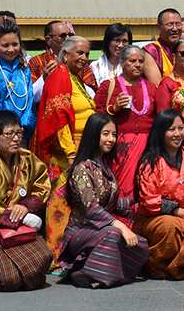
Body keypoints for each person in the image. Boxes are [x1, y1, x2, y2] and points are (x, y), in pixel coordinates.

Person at [57, 113, 149, 288]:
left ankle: (91, 270)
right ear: (93, 134)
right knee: (114, 234)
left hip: (101, 229)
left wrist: (139, 205)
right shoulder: (81, 168)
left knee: (141, 245)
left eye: (114, 134)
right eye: (105, 134)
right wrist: (121, 226)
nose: (111, 139)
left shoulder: (104, 165)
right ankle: (85, 273)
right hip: (81, 231)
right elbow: (91, 208)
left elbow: (111, 203)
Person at [0, 109, 53, 291]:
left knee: (45, 257)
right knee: (9, 280)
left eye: (19, 133)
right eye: (9, 133)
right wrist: (16, 215)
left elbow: (43, 185)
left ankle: (19, 271)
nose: (16, 138)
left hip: (19, 226)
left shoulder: (28, 158)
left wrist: (26, 206)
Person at [133, 109, 184, 279]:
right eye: (171, 129)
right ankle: (156, 264)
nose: (177, 134)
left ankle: (174, 268)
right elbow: (148, 200)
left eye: (180, 128)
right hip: (155, 218)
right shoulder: (150, 161)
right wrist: (177, 211)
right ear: (161, 132)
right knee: (168, 226)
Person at [36, 35, 97, 252]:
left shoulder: (75, 77)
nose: (84, 58)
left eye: (87, 54)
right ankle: (54, 253)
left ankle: (71, 251)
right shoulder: (60, 74)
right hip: (65, 153)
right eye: (79, 53)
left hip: (82, 149)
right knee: (60, 204)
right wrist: (71, 153)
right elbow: (58, 116)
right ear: (66, 53)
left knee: (76, 203)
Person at [95, 44, 156, 214]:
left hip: (147, 145)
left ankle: (142, 216)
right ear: (122, 63)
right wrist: (113, 108)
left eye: (140, 61)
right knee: (122, 184)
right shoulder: (109, 85)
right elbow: (97, 115)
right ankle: (120, 215)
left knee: (145, 182)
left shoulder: (151, 87)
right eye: (132, 61)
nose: (137, 65)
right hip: (120, 147)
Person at [0, 21, 36, 148]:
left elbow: (29, 102)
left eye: (15, 44)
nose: (11, 49)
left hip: (21, 135)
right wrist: (2, 133)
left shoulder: (24, 70)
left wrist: (21, 129)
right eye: (5, 45)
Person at [88, 23, 131, 89]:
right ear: (108, 42)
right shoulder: (95, 66)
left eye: (124, 41)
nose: (120, 45)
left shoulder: (131, 66)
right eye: (117, 40)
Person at [29, 21, 72, 85]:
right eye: (63, 36)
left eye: (70, 35)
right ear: (48, 39)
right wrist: (44, 79)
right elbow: (31, 91)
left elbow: (90, 88)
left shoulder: (77, 60)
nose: (68, 39)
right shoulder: (36, 62)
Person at [144, 8, 183, 78]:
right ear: (159, 27)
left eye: (178, 24)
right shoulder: (152, 51)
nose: (175, 29)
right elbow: (157, 86)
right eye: (170, 24)